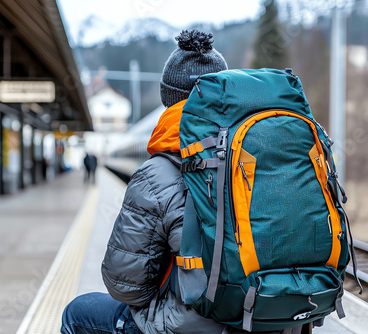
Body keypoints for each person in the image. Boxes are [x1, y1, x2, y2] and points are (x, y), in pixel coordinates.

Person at [61, 30, 303, 334]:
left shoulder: (156, 175)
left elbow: (126, 288)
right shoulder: (271, 154)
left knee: (76, 313)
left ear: (168, 98)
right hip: (277, 320)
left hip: (194, 326)